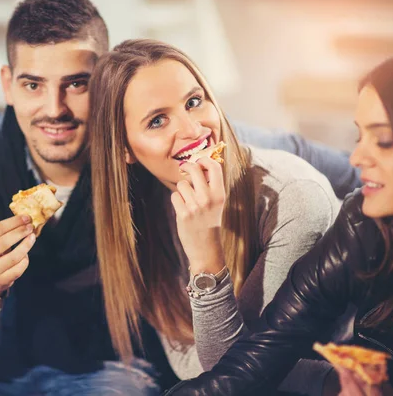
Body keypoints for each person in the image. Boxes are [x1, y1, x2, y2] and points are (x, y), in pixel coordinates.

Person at [0, 0, 361, 395]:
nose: (55, 109)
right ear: (8, 85)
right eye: (33, 85)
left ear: (105, 86)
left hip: (111, 371)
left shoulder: (183, 149)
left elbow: (322, 165)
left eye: (76, 83)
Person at [88, 38, 344, 395]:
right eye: (158, 120)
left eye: (194, 102)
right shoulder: (147, 212)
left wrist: (205, 259)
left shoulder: (294, 198)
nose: (193, 130)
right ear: (125, 149)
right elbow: (188, 362)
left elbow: (243, 377)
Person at [164, 55, 393, 396]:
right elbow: (259, 355)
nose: (357, 158)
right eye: (359, 137)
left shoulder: (295, 195)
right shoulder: (361, 225)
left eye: (382, 140)